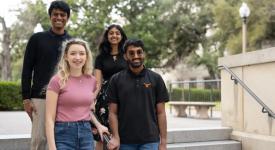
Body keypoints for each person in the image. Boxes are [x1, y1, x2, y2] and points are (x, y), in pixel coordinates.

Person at [21, 1, 71, 149]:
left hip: (65, 98)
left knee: (60, 140)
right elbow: (27, 69)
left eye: (62, 15)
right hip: (40, 98)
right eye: (55, 14)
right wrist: (26, 98)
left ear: (67, 18)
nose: (59, 17)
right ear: (50, 17)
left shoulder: (71, 42)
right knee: (39, 140)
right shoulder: (37, 39)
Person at [45, 38, 109, 150]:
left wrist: (99, 125)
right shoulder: (57, 80)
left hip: (86, 133)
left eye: (82, 54)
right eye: (73, 53)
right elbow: (49, 118)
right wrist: (52, 147)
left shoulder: (92, 81)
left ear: (86, 57)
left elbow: (87, 109)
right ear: (66, 56)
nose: (78, 57)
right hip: (63, 133)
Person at [107, 39, 169, 150]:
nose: (136, 56)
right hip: (125, 141)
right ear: (125, 56)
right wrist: (116, 137)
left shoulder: (156, 78)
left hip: (150, 140)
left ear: (143, 54)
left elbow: (161, 113)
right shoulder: (116, 80)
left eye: (139, 52)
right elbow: (112, 113)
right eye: (131, 53)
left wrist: (163, 142)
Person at [93, 24, 128, 150]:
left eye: (117, 33)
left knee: (123, 132)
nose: (114, 35)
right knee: (102, 136)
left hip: (125, 95)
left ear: (122, 36)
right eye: (111, 33)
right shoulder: (100, 57)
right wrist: (92, 99)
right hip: (105, 98)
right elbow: (97, 83)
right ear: (107, 36)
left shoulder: (127, 55)